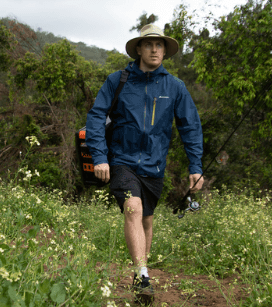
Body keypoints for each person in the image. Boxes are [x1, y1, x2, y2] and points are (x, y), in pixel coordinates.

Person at [85, 23, 204, 304]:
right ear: (139, 48)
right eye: (149, 44)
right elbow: (95, 117)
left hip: (154, 165)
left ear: (165, 50)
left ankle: (141, 282)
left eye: (159, 45)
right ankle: (142, 275)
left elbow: (190, 127)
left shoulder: (174, 87)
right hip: (122, 161)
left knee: (147, 221)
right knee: (132, 208)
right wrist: (100, 158)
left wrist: (195, 167)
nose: (154, 49)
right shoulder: (118, 80)